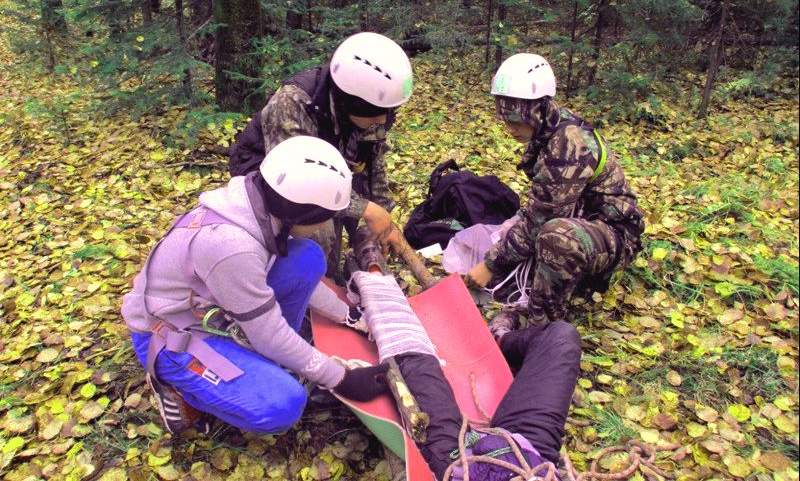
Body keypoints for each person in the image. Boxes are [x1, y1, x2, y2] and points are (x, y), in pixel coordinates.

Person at [121, 136, 389, 435]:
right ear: (300, 213)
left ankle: (258, 364)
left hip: (211, 303)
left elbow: (296, 281)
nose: (321, 227)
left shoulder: (262, 204)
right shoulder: (233, 246)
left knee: (308, 258)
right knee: (281, 405)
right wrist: (341, 378)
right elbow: (269, 335)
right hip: (170, 333)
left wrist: (348, 315)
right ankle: (177, 387)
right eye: (321, 219)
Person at [464, 53, 645, 331]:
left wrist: (490, 265)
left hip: (616, 235)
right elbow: (540, 205)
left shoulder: (568, 144)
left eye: (517, 119)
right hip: (584, 221)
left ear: (538, 110)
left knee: (554, 237)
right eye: (505, 118)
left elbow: (541, 221)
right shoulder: (549, 129)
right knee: (526, 231)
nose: (510, 129)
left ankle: (540, 326)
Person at [348, 270, 581, 480]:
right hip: (532, 453)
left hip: (462, 465)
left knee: (414, 361)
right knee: (561, 336)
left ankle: (376, 286)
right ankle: (502, 339)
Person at [228, 32, 413, 278]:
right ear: (350, 102)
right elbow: (301, 184)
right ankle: (300, 288)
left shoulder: (373, 114)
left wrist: (384, 217)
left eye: (388, 112)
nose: (382, 120)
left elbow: (373, 165)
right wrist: (366, 209)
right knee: (319, 233)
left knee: (346, 240)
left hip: (332, 169)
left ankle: (335, 282)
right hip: (276, 178)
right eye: (376, 112)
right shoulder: (293, 102)